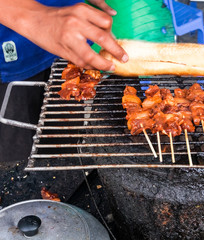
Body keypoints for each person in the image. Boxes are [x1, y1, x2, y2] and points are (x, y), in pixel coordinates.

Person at [0, 0, 128, 165]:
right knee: (16, 171)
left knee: (63, 163)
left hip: (70, 45)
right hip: (10, 57)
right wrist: (36, 17)